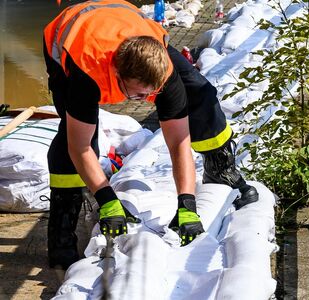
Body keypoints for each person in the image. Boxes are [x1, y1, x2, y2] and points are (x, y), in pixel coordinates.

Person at [42, 0, 259, 275]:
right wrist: (107, 198)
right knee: (78, 133)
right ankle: (62, 233)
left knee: (200, 93)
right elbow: (79, 146)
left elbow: (178, 142)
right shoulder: (86, 75)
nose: (146, 101)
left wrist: (187, 203)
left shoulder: (165, 76)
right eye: (138, 95)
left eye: (151, 95)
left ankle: (221, 170)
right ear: (117, 74)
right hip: (71, 37)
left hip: (127, 23)